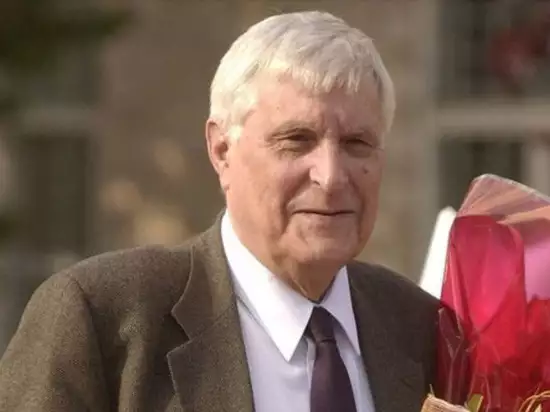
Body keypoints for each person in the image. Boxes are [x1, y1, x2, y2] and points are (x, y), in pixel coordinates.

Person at [0, 10, 438, 412]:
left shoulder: (423, 330)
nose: (331, 175)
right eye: (296, 141)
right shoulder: (104, 321)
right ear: (222, 149)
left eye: (357, 143)